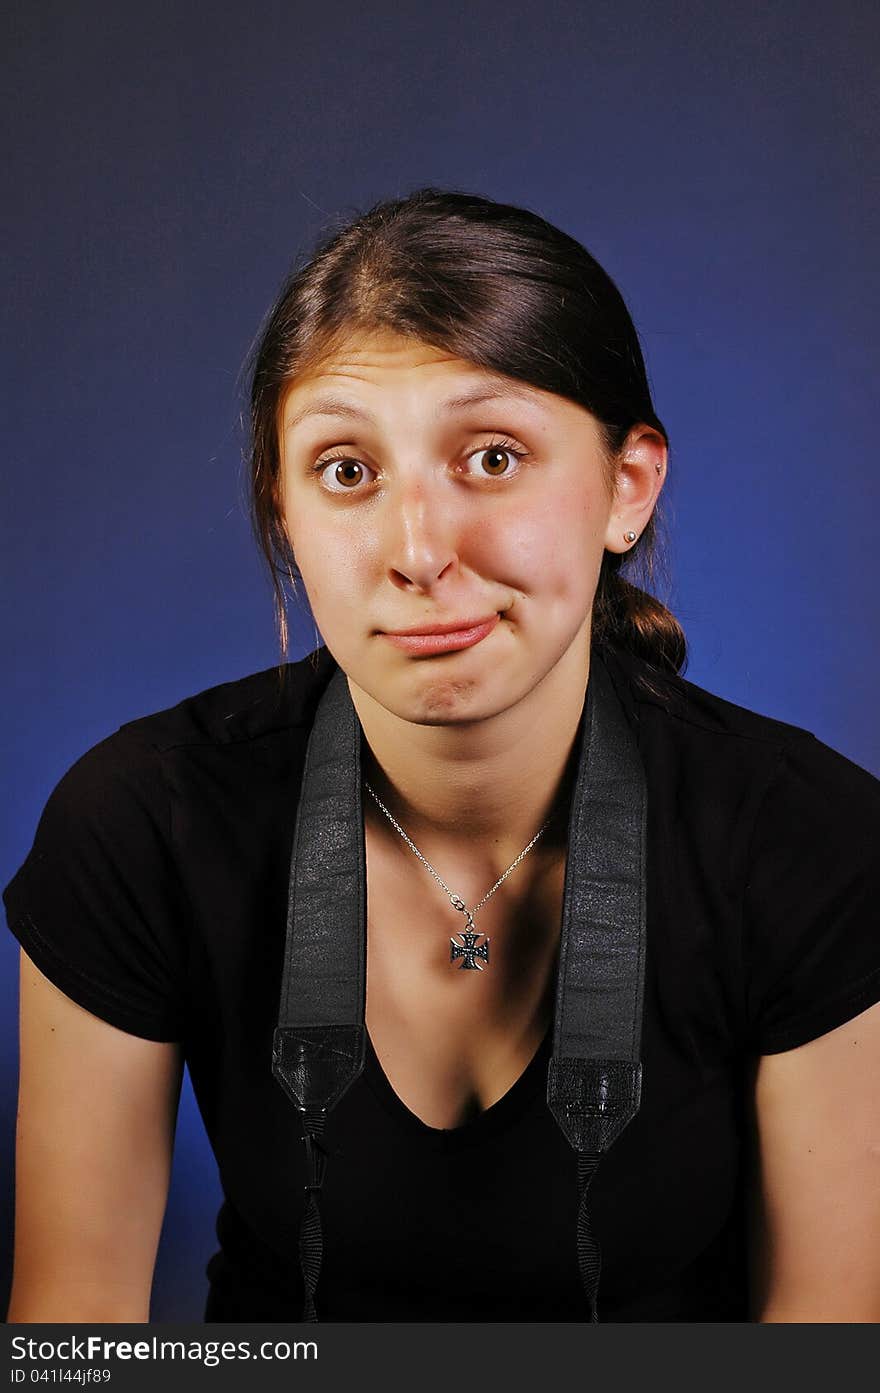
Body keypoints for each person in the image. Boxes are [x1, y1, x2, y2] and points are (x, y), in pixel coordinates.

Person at [5, 188, 880, 1325]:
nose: (417, 551)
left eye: (493, 456)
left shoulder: (805, 838)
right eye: (347, 472)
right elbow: (78, 1342)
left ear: (627, 486)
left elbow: (826, 1341)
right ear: (283, 511)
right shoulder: (142, 823)